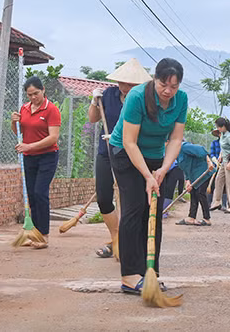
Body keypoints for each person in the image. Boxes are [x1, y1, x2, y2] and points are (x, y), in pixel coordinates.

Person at [109, 58, 188, 295]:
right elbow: (129, 142)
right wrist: (147, 175)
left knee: (153, 211)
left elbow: (175, 139)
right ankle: (129, 276)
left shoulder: (181, 100)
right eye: (164, 84)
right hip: (126, 154)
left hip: (156, 158)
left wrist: (163, 169)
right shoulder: (136, 97)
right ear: (155, 79)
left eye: (174, 87)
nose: (168, 91)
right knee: (134, 209)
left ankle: (150, 272)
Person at [88, 58, 151, 259]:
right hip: (107, 151)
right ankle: (115, 236)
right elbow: (92, 119)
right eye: (122, 82)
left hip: (131, 153)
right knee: (104, 196)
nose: (125, 87)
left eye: (131, 84)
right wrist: (94, 101)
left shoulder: (144, 98)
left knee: (130, 200)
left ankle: (127, 241)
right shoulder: (109, 95)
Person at [11, 76, 62, 249]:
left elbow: (53, 137)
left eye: (36, 93)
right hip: (29, 157)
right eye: (30, 94)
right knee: (31, 195)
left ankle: (44, 235)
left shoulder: (51, 110)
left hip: (47, 156)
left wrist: (29, 146)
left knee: (40, 193)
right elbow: (18, 131)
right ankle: (32, 232)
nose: (33, 97)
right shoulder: (24, 108)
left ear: (43, 90)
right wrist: (14, 121)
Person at [175, 141, 215, 226]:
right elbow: (185, 168)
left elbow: (200, 150)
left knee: (200, 193)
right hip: (194, 176)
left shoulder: (184, 147)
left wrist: (209, 162)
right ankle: (191, 217)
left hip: (204, 171)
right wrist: (188, 181)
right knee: (193, 193)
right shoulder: (176, 154)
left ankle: (207, 218)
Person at [209, 117, 230, 214]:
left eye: (218, 127)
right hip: (224, 161)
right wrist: (220, 156)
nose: (217, 129)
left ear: (223, 127)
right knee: (218, 179)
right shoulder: (222, 134)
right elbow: (223, 147)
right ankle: (217, 201)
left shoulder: (229, 136)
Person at [207, 129, 228, 209]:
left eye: (221, 133)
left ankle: (223, 205)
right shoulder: (214, 143)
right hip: (216, 166)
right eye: (219, 133)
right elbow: (211, 154)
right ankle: (209, 204)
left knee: (224, 185)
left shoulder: (227, 143)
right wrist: (214, 160)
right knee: (212, 184)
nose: (220, 134)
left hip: (225, 166)